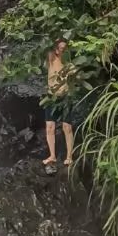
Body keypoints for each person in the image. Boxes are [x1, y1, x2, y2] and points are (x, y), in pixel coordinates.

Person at [43, 39, 75, 173]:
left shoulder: (69, 62)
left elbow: (74, 76)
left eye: (63, 48)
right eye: (59, 48)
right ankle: (52, 155)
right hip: (51, 97)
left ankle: (69, 156)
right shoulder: (50, 57)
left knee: (67, 127)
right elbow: (46, 43)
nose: (60, 50)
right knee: (50, 127)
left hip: (65, 97)